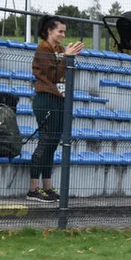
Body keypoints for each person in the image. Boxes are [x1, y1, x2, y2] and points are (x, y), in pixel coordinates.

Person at [29, 16, 82, 203]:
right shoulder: (43, 48)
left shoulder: (59, 49)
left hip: (59, 99)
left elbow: (64, 75)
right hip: (46, 99)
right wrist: (67, 58)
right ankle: (33, 188)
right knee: (46, 141)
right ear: (49, 31)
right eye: (60, 31)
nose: (63, 35)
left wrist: (69, 58)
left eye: (64, 31)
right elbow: (53, 76)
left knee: (53, 143)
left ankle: (47, 187)